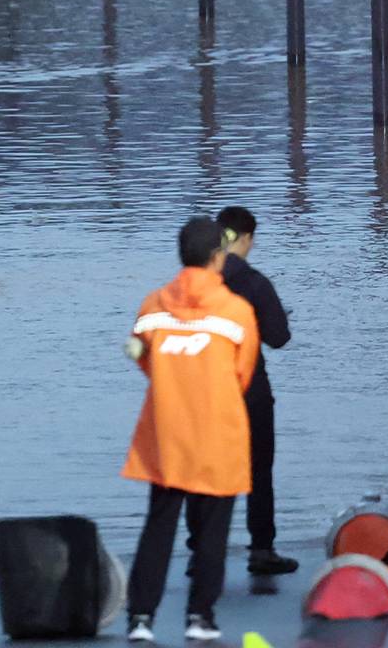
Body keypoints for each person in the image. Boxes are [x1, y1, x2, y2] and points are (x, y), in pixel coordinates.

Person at [122, 218, 259, 643]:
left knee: (159, 524)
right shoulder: (237, 311)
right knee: (212, 530)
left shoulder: (152, 305)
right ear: (218, 257)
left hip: (166, 431)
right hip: (218, 434)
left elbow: (144, 360)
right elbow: (243, 374)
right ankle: (200, 616)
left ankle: (141, 617)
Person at [209, 206, 297, 575]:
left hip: (206, 391)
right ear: (246, 238)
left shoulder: (196, 284)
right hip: (250, 391)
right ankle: (262, 549)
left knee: (209, 472)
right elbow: (279, 338)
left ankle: (203, 551)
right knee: (258, 470)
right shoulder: (256, 284)